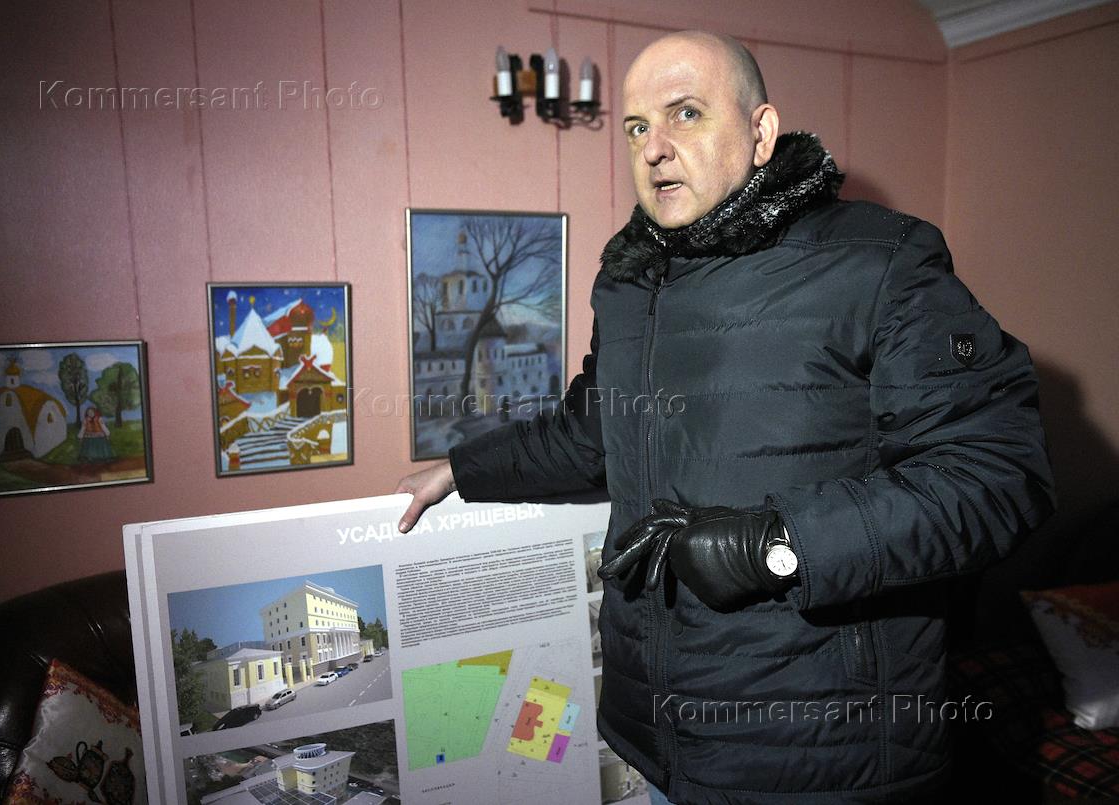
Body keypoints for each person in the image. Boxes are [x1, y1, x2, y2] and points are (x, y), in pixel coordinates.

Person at [395, 30, 1054, 804]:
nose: (654, 148)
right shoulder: (630, 280)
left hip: (819, 762)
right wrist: (460, 469)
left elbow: (997, 477)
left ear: (761, 131)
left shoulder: (882, 261)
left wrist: (778, 545)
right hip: (655, 741)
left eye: (686, 113)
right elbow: (590, 433)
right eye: (636, 126)